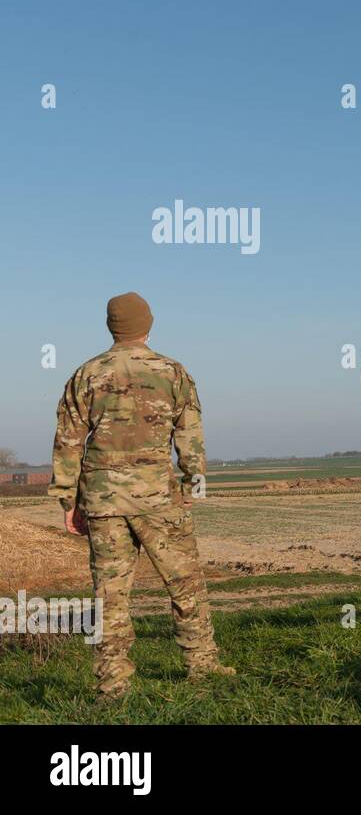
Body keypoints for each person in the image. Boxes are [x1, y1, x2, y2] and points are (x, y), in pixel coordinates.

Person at [49, 292, 232, 700]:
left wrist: (68, 500)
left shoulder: (86, 374)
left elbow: (68, 442)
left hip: (102, 499)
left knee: (109, 594)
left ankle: (112, 684)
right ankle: (202, 664)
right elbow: (190, 435)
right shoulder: (173, 372)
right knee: (185, 583)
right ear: (148, 324)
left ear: (111, 326)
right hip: (157, 498)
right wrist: (192, 483)